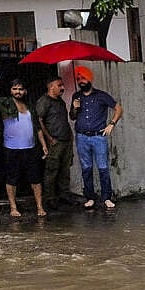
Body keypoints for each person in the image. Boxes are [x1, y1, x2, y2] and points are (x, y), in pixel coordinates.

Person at [0, 78, 48, 217]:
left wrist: (44, 145)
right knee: (11, 179)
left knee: (36, 179)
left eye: (20, 89)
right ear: (10, 91)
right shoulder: (6, 102)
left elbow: (37, 128)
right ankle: (13, 208)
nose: (17, 91)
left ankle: (39, 207)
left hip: (30, 148)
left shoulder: (30, 107)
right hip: (11, 149)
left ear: (25, 91)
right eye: (14, 89)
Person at [69, 66, 123, 209]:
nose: (81, 81)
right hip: (81, 137)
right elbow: (72, 117)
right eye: (79, 78)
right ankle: (90, 197)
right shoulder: (76, 96)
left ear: (90, 79)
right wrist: (75, 107)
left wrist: (112, 124)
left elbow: (118, 108)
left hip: (99, 137)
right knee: (86, 168)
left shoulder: (101, 95)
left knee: (103, 167)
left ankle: (106, 198)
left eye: (84, 78)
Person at [34, 77, 74, 208]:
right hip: (54, 142)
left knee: (65, 170)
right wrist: (49, 138)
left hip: (66, 140)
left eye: (62, 85)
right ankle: (50, 198)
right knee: (51, 171)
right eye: (59, 85)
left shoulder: (60, 101)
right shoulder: (44, 101)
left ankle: (64, 195)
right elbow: (39, 120)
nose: (62, 88)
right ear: (51, 87)